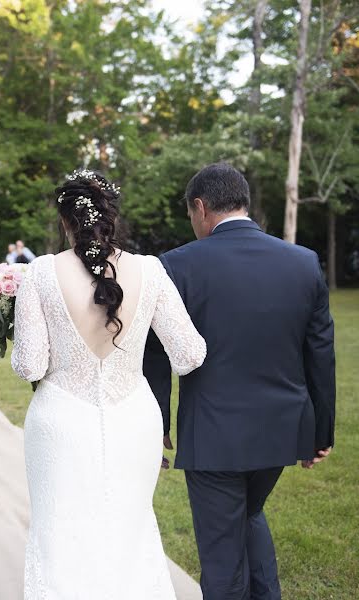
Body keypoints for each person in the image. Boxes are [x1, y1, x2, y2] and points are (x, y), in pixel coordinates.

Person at [144, 163, 336, 600]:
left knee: (221, 556)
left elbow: (154, 354)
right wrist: (321, 433)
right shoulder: (303, 262)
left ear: (201, 207)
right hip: (282, 431)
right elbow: (321, 355)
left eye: (191, 215)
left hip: (214, 437)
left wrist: (157, 428)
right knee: (248, 515)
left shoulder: (174, 266)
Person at [11, 169, 206, 599]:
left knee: (60, 533)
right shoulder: (151, 271)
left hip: (60, 422)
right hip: (133, 421)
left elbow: (29, 366)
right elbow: (190, 354)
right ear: (111, 216)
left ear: (66, 222)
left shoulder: (40, 273)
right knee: (129, 530)